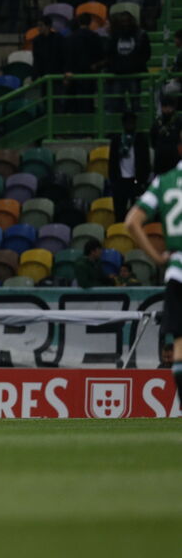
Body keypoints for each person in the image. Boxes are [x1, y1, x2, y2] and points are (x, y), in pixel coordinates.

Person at [125, 163, 182, 409]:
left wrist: (158, 258)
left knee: (180, 346)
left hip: (177, 272)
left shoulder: (164, 181)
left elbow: (131, 222)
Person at [109, 111, 151, 223]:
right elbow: (112, 162)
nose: (130, 125)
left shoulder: (141, 140)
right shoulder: (117, 140)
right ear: (123, 125)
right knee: (119, 213)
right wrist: (114, 180)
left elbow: (145, 162)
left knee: (136, 214)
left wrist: (142, 180)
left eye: (132, 123)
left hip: (136, 181)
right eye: (127, 123)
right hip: (120, 181)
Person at [106, 12, 150, 112]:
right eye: (123, 21)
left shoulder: (140, 34)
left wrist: (135, 65)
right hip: (118, 74)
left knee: (134, 103)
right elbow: (109, 53)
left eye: (127, 21)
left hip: (132, 74)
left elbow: (146, 53)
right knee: (117, 104)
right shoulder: (114, 35)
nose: (125, 23)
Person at [64, 13, 106, 114]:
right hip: (89, 74)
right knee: (87, 103)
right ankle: (88, 125)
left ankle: (77, 127)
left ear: (78, 22)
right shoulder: (95, 36)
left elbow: (68, 56)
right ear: (90, 22)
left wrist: (67, 71)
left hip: (74, 75)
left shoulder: (71, 37)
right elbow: (101, 55)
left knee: (74, 104)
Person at [150, 95, 182, 175]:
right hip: (160, 160)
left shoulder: (179, 122)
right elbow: (153, 141)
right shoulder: (157, 124)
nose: (167, 109)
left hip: (174, 158)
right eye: (165, 106)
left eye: (170, 106)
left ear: (174, 107)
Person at [32, 16, 64, 81]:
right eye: (38, 25)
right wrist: (34, 76)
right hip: (44, 76)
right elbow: (36, 59)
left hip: (57, 75)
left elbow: (63, 56)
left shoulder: (59, 38)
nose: (38, 28)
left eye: (41, 25)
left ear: (48, 26)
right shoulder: (37, 41)